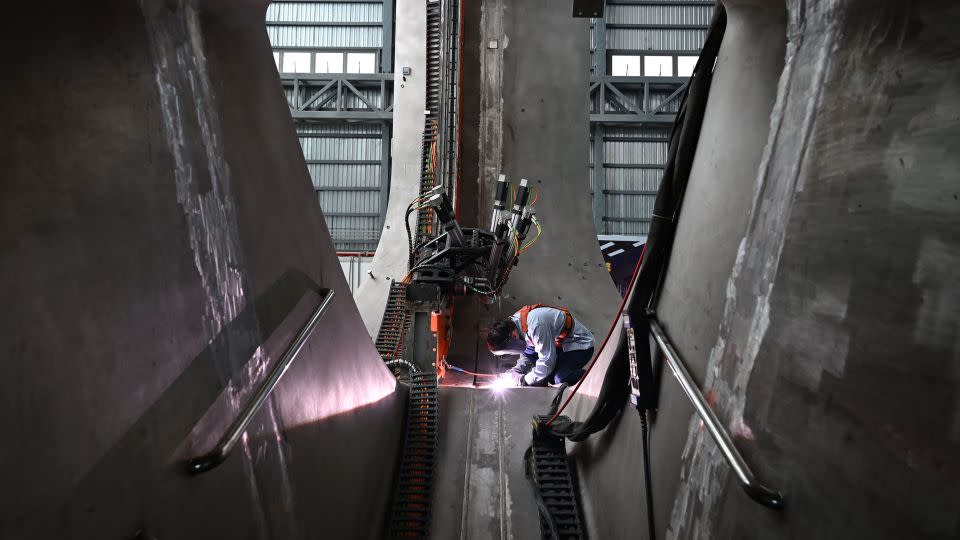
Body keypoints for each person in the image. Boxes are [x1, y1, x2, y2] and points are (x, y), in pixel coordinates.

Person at [486, 304, 595, 386]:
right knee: (544, 376)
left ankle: (593, 380)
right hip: (558, 345)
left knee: (558, 379)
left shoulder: (535, 326)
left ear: (513, 336)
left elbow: (547, 362)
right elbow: (528, 352)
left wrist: (524, 380)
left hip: (578, 345)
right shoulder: (515, 325)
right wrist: (516, 370)